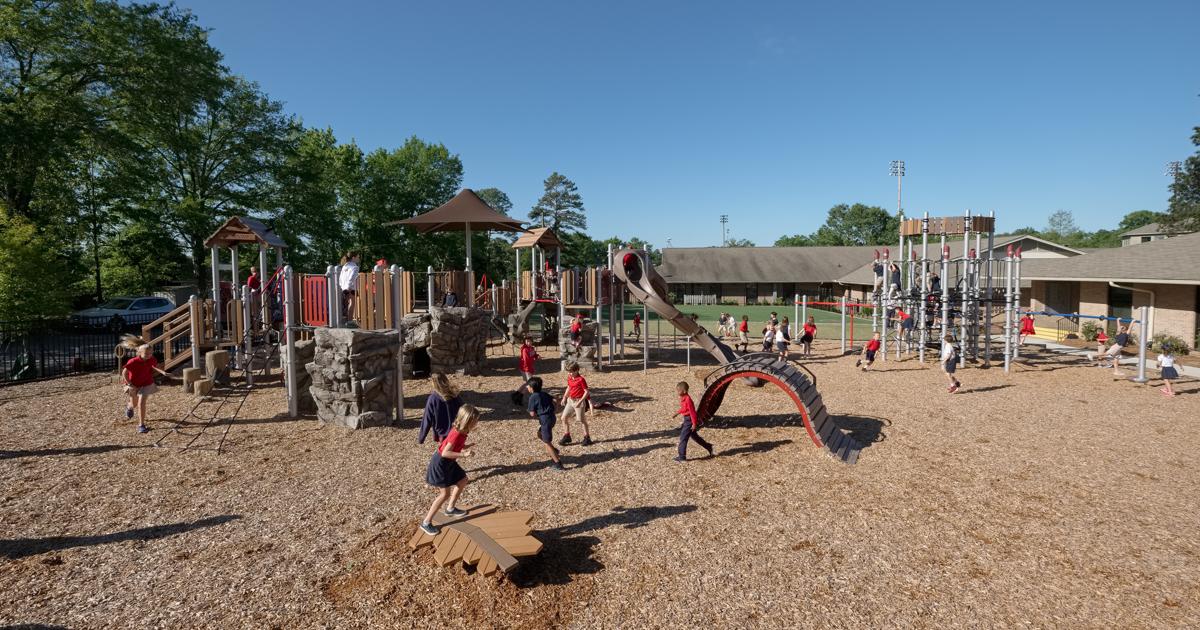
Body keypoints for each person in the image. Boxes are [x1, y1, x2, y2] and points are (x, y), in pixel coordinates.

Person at [418, 405, 481, 535]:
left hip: (449, 462)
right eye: (475, 421)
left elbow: (451, 445)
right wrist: (463, 454)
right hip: (441, 464)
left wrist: (464, 446)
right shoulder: (457, 433)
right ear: (468, 421)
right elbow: (445, 452)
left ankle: (450, 508)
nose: (477, 423)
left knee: (463, 480)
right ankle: (426, 522)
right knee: (444, 494)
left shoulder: (462, 431)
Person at [122, 343, 168, 433]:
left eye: (150, 353)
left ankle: (141, 425)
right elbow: (124, 373)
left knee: (141, 403)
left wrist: (162, 372)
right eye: (146, 354)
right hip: (133, 384)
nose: (149, 356)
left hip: (146, 383)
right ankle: (129, 408)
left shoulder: (152, 359)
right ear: (139, 353)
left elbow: (155, 367)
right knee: (134, 404)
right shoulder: (133, 361)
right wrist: (130, 384)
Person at [525, 377, 565, 469]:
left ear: (531, 388)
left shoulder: (532, 397)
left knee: (547, 442)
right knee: (540, 434)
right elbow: (555, 399)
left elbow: (532, 413)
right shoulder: (544, 393)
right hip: (552, 418)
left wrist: (533, 412)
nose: (527, 387)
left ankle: (558, 463)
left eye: (528, 386)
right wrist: (557, 408)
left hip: (545, 420)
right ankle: (554, 450)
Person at [670, 381, 713, 462]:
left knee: (683, 438)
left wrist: (694, 423)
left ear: (684, 391)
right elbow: (684, 408)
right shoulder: (683, 398)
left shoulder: (688, 400)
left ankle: (682, 457)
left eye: (679, 391)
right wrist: (677, 413)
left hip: (689, 420)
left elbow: (692, 412)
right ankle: (708, 446)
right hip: (686, 419)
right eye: (677, 390)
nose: (677, 392)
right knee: (694, 436)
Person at [418, 373, 461, 445]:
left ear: (434, 383)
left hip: (443, 433)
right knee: (452, 452)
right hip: (455, 431)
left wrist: (421, 438)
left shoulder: (433, 398)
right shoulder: (454, 395)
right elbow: (464, 411)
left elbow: (427, 418)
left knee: (444, 453)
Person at [558, 363, 593, 446]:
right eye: (569, 372)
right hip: (571, 400)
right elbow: (569, 387)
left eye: (572, 372)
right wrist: (564, 397)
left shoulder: (581, 379)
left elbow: (586, 392)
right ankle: (567, 436)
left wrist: (580, 401)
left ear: (577, 370)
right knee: (563, 418)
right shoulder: (570, 377)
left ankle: (587, 437)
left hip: (579, 401)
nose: (570, 374)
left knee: (581, 420)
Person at [339, 251, 360, 321]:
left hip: (344, 287)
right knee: (352, 303)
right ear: (353, 258)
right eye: (358, 257)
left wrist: (343, 287)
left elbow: (340, 279)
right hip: (351, 288)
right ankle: (350, 320)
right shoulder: (355, 267)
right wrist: (349, 287)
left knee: (346, 304)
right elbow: (352, 277)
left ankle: (346, 319)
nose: (359, 258)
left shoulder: (344, 267)